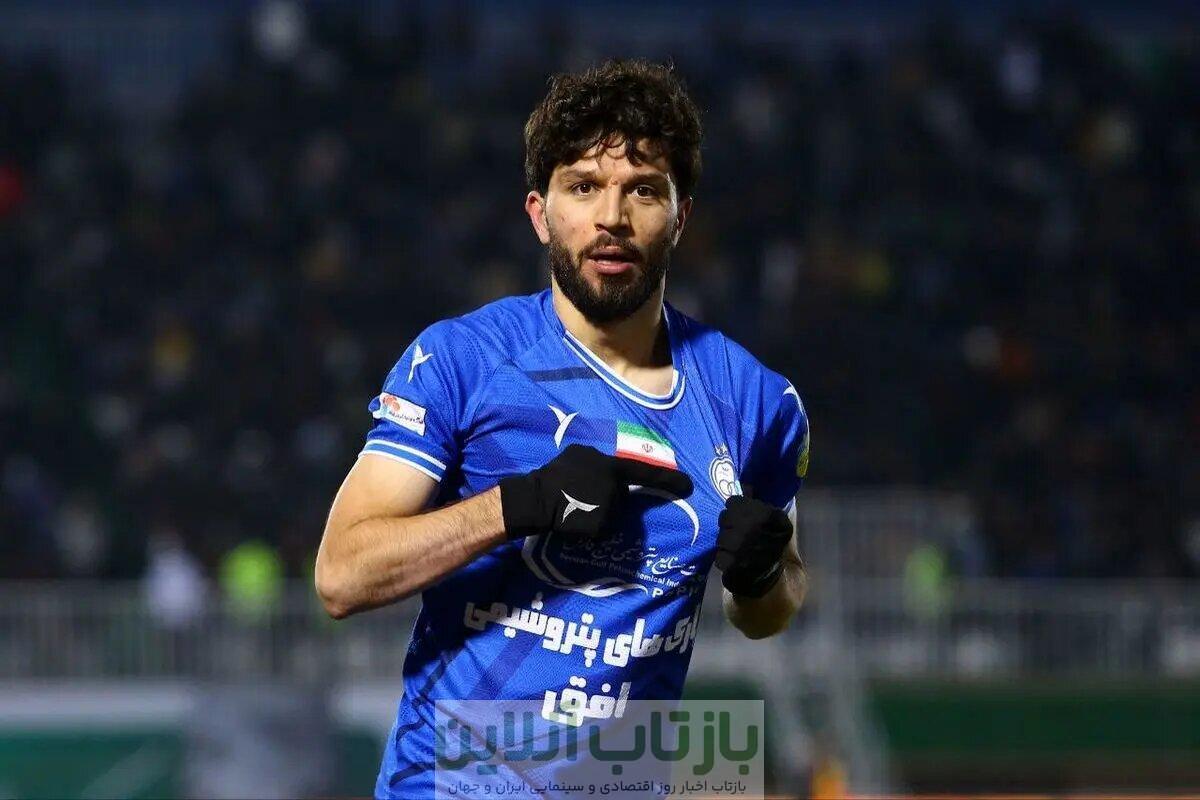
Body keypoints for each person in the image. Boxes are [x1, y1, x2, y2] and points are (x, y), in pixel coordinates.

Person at [315, 59, 811, 798]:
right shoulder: (463, 360)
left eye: (643, 190)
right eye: (583, 187)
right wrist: (518, 505)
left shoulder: (757, 402)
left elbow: (771, 607)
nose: (612, 217)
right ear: (540, 214)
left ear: (680, 217)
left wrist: (762, 575)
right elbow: (341, 575)